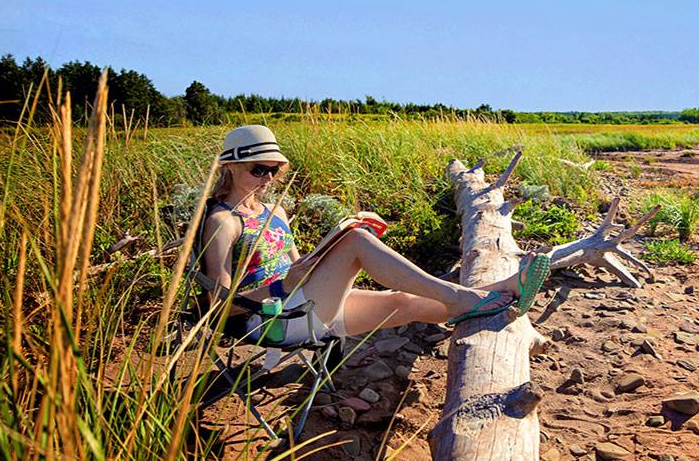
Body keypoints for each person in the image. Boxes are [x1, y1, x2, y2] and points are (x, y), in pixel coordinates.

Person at [199, 125, 543, 345]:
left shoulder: (276, 214)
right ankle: (458, 296)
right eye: (258, 169)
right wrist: (282, 285)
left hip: (304, 302)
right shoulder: (224, 222)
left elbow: (298, 270)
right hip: (272, 320)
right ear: (229, 166)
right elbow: (219, 309)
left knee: (402, 302)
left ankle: (505, 288)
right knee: (356, 241)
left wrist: (320, 253)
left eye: (274, 170)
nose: (268, 178)